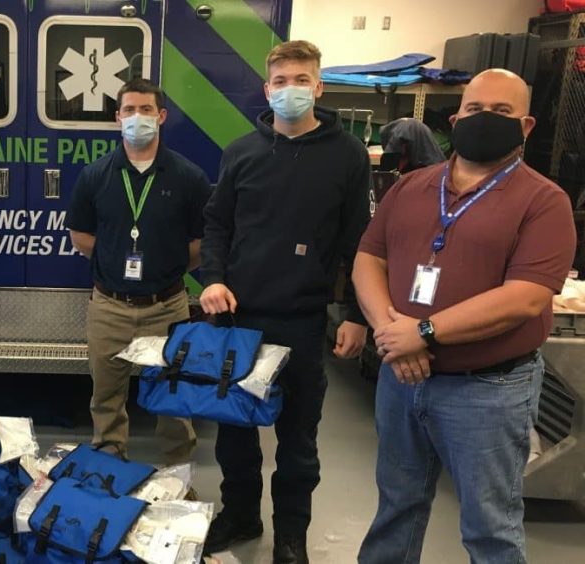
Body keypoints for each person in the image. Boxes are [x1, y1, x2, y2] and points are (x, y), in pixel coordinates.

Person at [355, 69, 576, 564]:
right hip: (402, 378)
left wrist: (423, 333)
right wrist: (390, 332)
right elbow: (368, 259)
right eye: (476, 109)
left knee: (489, 526)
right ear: (456, 118)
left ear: (527, 125)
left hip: (486, 391)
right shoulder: (410, 186)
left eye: (503, 112)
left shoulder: (544, 201)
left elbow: (525, 298)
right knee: (396, 506)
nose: (485, 119)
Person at [199, 40, 370, 562]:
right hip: (237, 318)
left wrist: (358, 316)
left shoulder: (347, 155)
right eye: (280, 81)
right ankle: (241, 516)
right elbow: (217, 225)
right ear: (266, 88)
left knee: (298, 442)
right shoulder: (241, 152)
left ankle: (291, 536)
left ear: (318, 87)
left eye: (301, 80)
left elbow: (360, 243)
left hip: (301, 320)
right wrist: (211, 278)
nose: (290, 89)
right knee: (234, 434)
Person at [66, 78, 211, 465]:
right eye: (129, 110)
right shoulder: (95, 175)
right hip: (109, 307)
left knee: (174, 400)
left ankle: (177, 476)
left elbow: (201, 243)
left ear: (161, 116)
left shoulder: (189, 177)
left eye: (146, 110)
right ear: (117, 118)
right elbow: (80, 235)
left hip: (168, 307)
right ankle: (109, 470)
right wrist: (115, 255)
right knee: (106, 399)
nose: (137, 117)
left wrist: (166, 263)